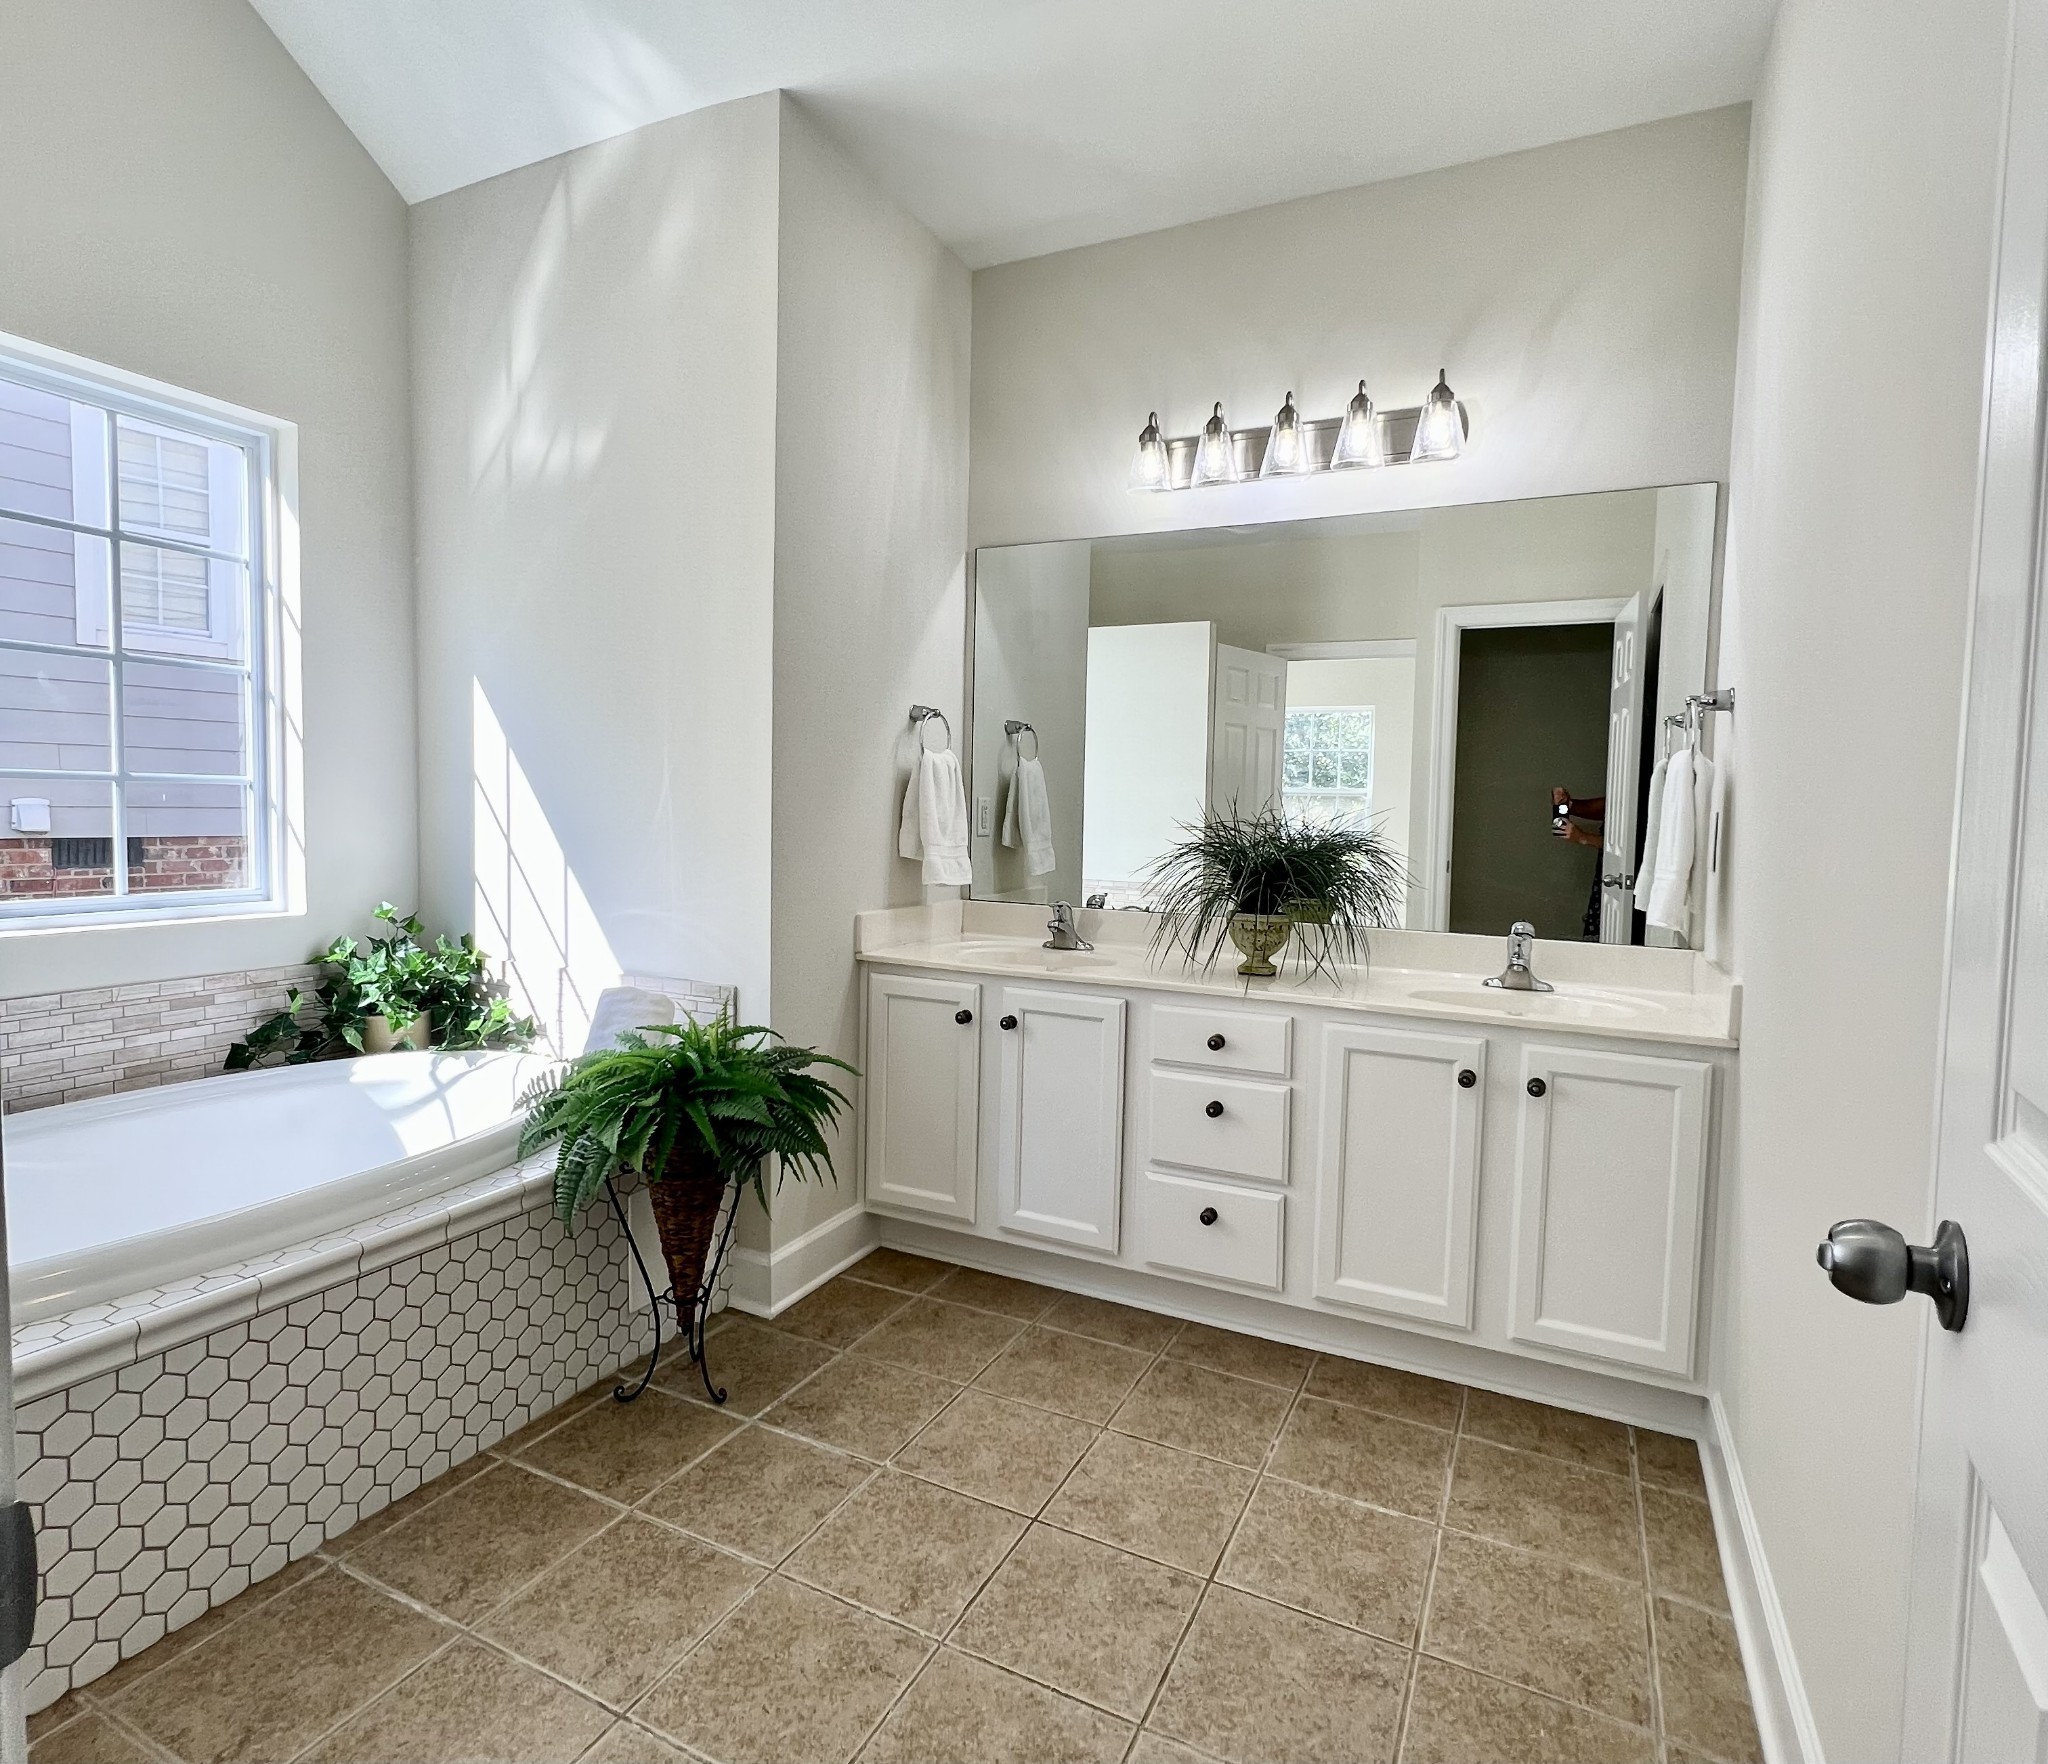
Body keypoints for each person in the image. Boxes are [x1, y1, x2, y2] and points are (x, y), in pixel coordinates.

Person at [1552, 787, 1606, 939]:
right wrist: (1567, 805)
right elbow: (1614, 806)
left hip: (1625, 878)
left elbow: (1632, 850)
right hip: (1608, 874)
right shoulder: (1629, 798)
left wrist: (1583, 837)